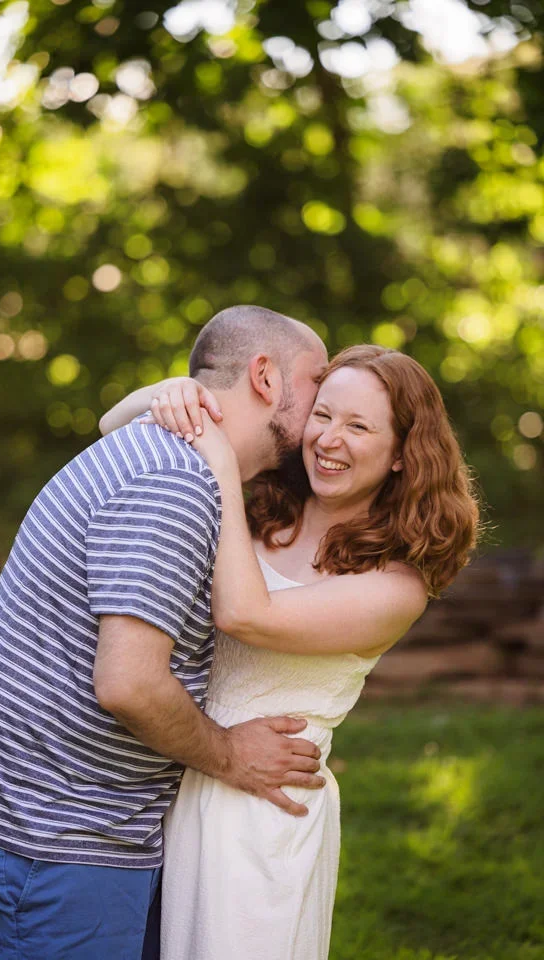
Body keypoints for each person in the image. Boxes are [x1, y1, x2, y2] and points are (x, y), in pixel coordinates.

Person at [0, 305, 330, 960]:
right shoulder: (176, 482)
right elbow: (129, 682)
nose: (326, 403)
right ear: (265, 377)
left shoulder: (179, 456)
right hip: (50, 835)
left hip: (62, 820)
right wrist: (230, 755)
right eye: (318, 381)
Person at [103, 344, 480, 960]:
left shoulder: (396, 586)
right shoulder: (262, 506)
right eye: (323, 415)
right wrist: (173, 392)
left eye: (359, 426)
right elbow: (111, 426)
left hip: (262, 812)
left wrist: (220, 463)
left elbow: (246, 614)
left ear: (402, 455)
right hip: (169, 776)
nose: (329, 440)